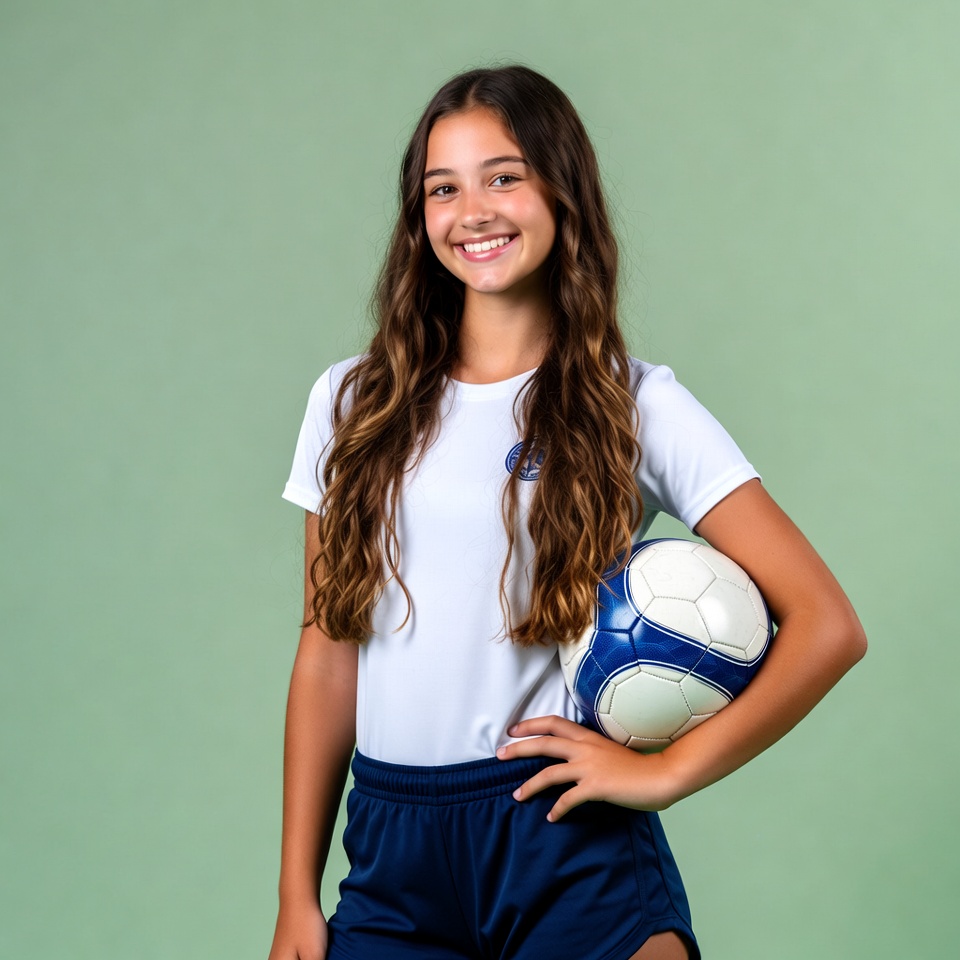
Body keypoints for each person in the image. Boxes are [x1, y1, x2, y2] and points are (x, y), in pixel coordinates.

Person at [267, 65, 866, 960]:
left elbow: (827, 626)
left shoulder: (634, 404)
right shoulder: (353, 402)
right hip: (391, 857)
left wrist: (665, 774)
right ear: (419, 215)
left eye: (503, 176)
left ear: (562, 189)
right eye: (444, 187)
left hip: (563, 841)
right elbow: (325, 651)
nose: (473, 210)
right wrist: (295, 897)